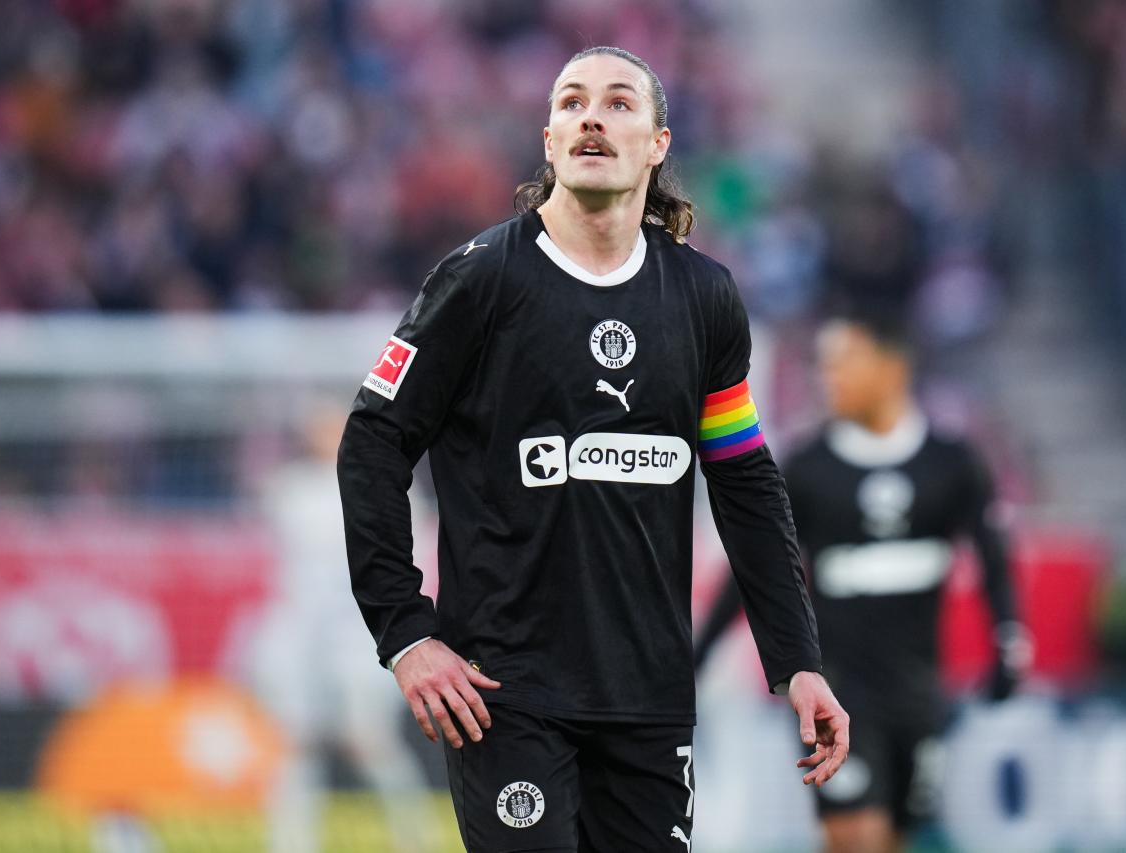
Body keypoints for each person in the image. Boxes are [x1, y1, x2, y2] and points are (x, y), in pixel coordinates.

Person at [337, 46, 849, 852]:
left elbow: (745, 482)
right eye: (572, 103)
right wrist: (405, 632)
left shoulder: (704, 297)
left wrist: (796, 660)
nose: (591, 119)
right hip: (504, 693)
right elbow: (372, 442)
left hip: (649, 698)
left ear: (657, 144)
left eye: (617, 103)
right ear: (549, 140)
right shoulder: (480, 281)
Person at [695, 312, 1032, 853]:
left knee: (895, 837)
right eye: (824, 365)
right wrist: (701, 651)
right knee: (856, 836)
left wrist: (1009, 639)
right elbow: (760, 568)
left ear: (893, 368)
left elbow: (993, 559)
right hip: (838, 692)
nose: (829, 378)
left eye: (844, 362)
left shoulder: (952, 464)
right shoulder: (808, 468)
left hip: (918, 693)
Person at [250, 405, 438, 853]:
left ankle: (414, 835)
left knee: (368, 740)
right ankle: (291, 842)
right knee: (297, 743)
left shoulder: (389, 483)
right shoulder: (293, 489)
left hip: (362, 633)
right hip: (304, 635)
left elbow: (413, 552)